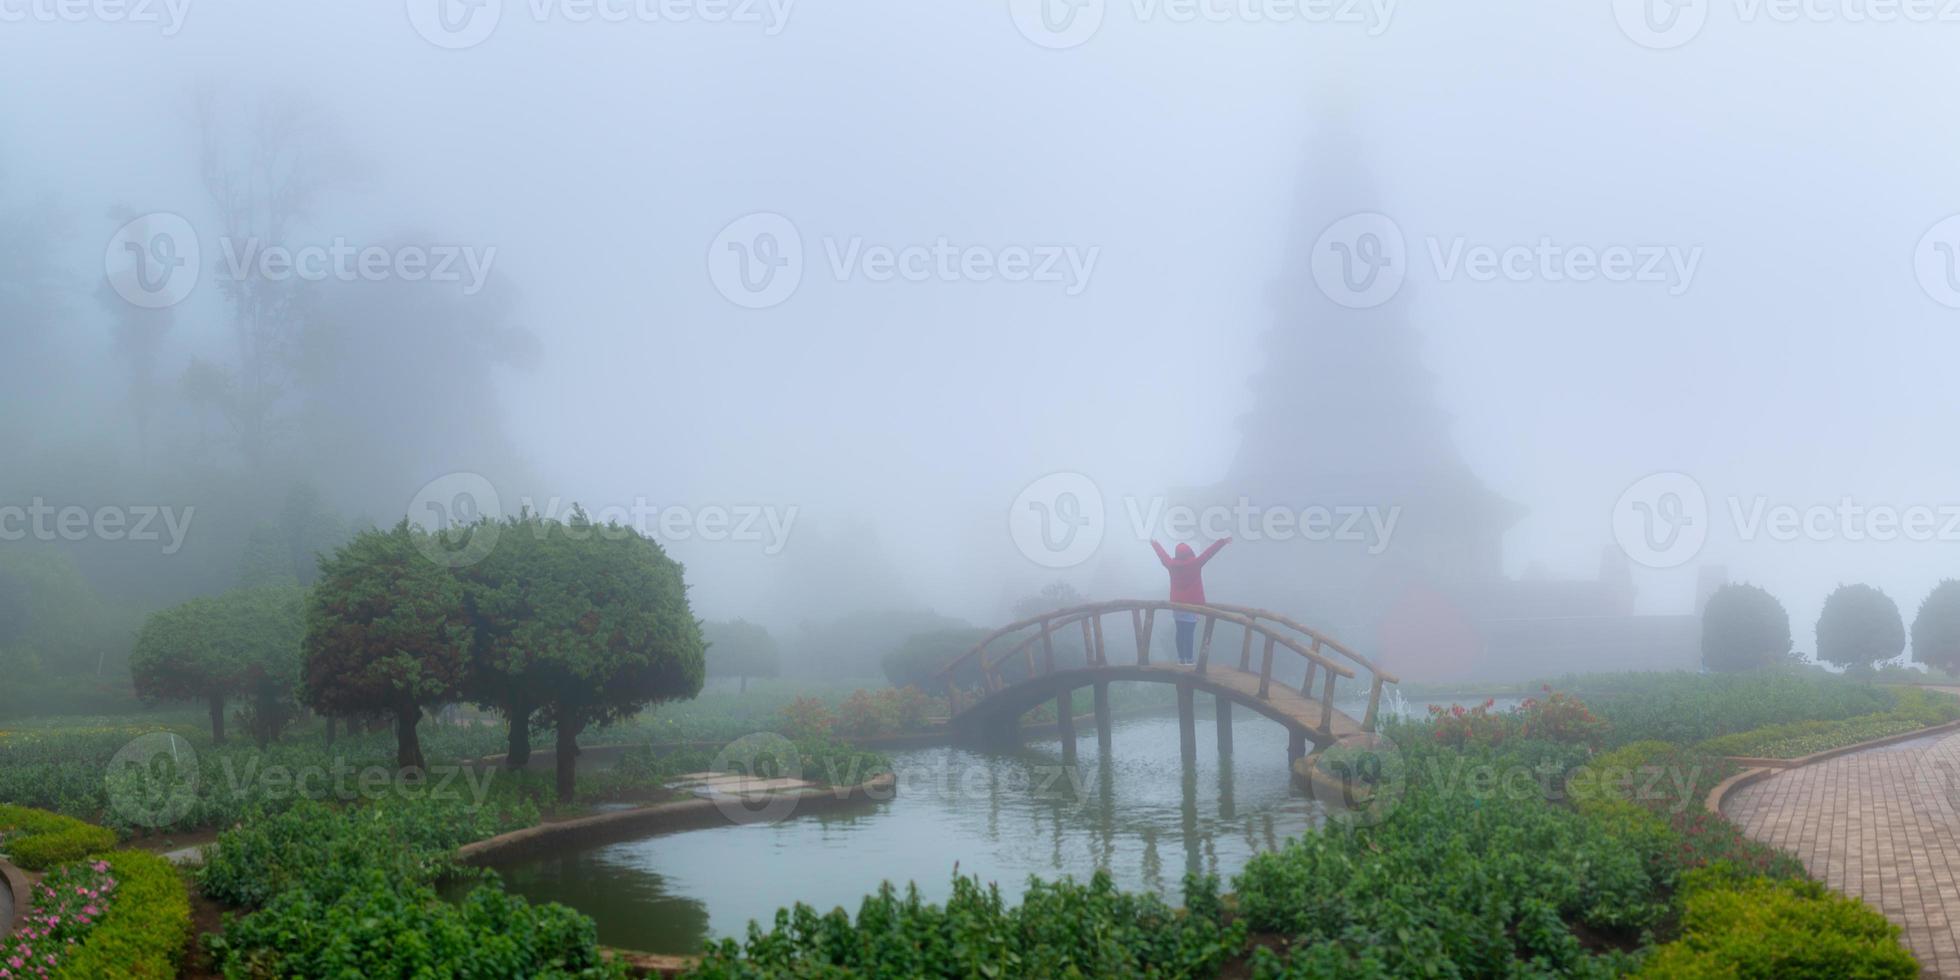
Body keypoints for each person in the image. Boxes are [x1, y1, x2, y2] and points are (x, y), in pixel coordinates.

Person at [1151, 537, 1230, 665]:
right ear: (1190, 552)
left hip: (1177, 605)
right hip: (1191, 605)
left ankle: (1181, 659)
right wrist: (1222, 542)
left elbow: (1163, 555)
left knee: (1180, 632)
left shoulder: (1171, 565)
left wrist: (1155, 543)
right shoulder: (1196, 563)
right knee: (1188, 633)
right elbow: (1209, 553)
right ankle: (1189, 659)